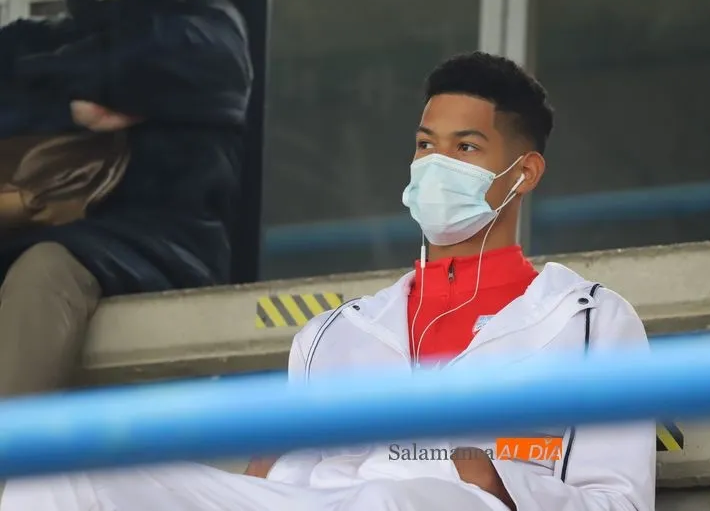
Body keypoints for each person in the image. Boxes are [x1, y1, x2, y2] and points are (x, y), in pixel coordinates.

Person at [0, 53, 655, 511]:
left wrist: (500, 480)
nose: (435, 164)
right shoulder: (334, 333)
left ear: (524, 173)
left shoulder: (587, 321)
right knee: (60, 474)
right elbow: (281, 480)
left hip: (446, 504)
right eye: (425, 145)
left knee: (392, 496)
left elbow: (619, 501)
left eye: (465, 147)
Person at [0, 0, 252, 396]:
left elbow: (138, 65)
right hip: (36, 235)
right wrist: (70, 107)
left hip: (160, 249)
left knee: (45, 269)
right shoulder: (28, 40)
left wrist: (47, 88)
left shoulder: (209, 32)